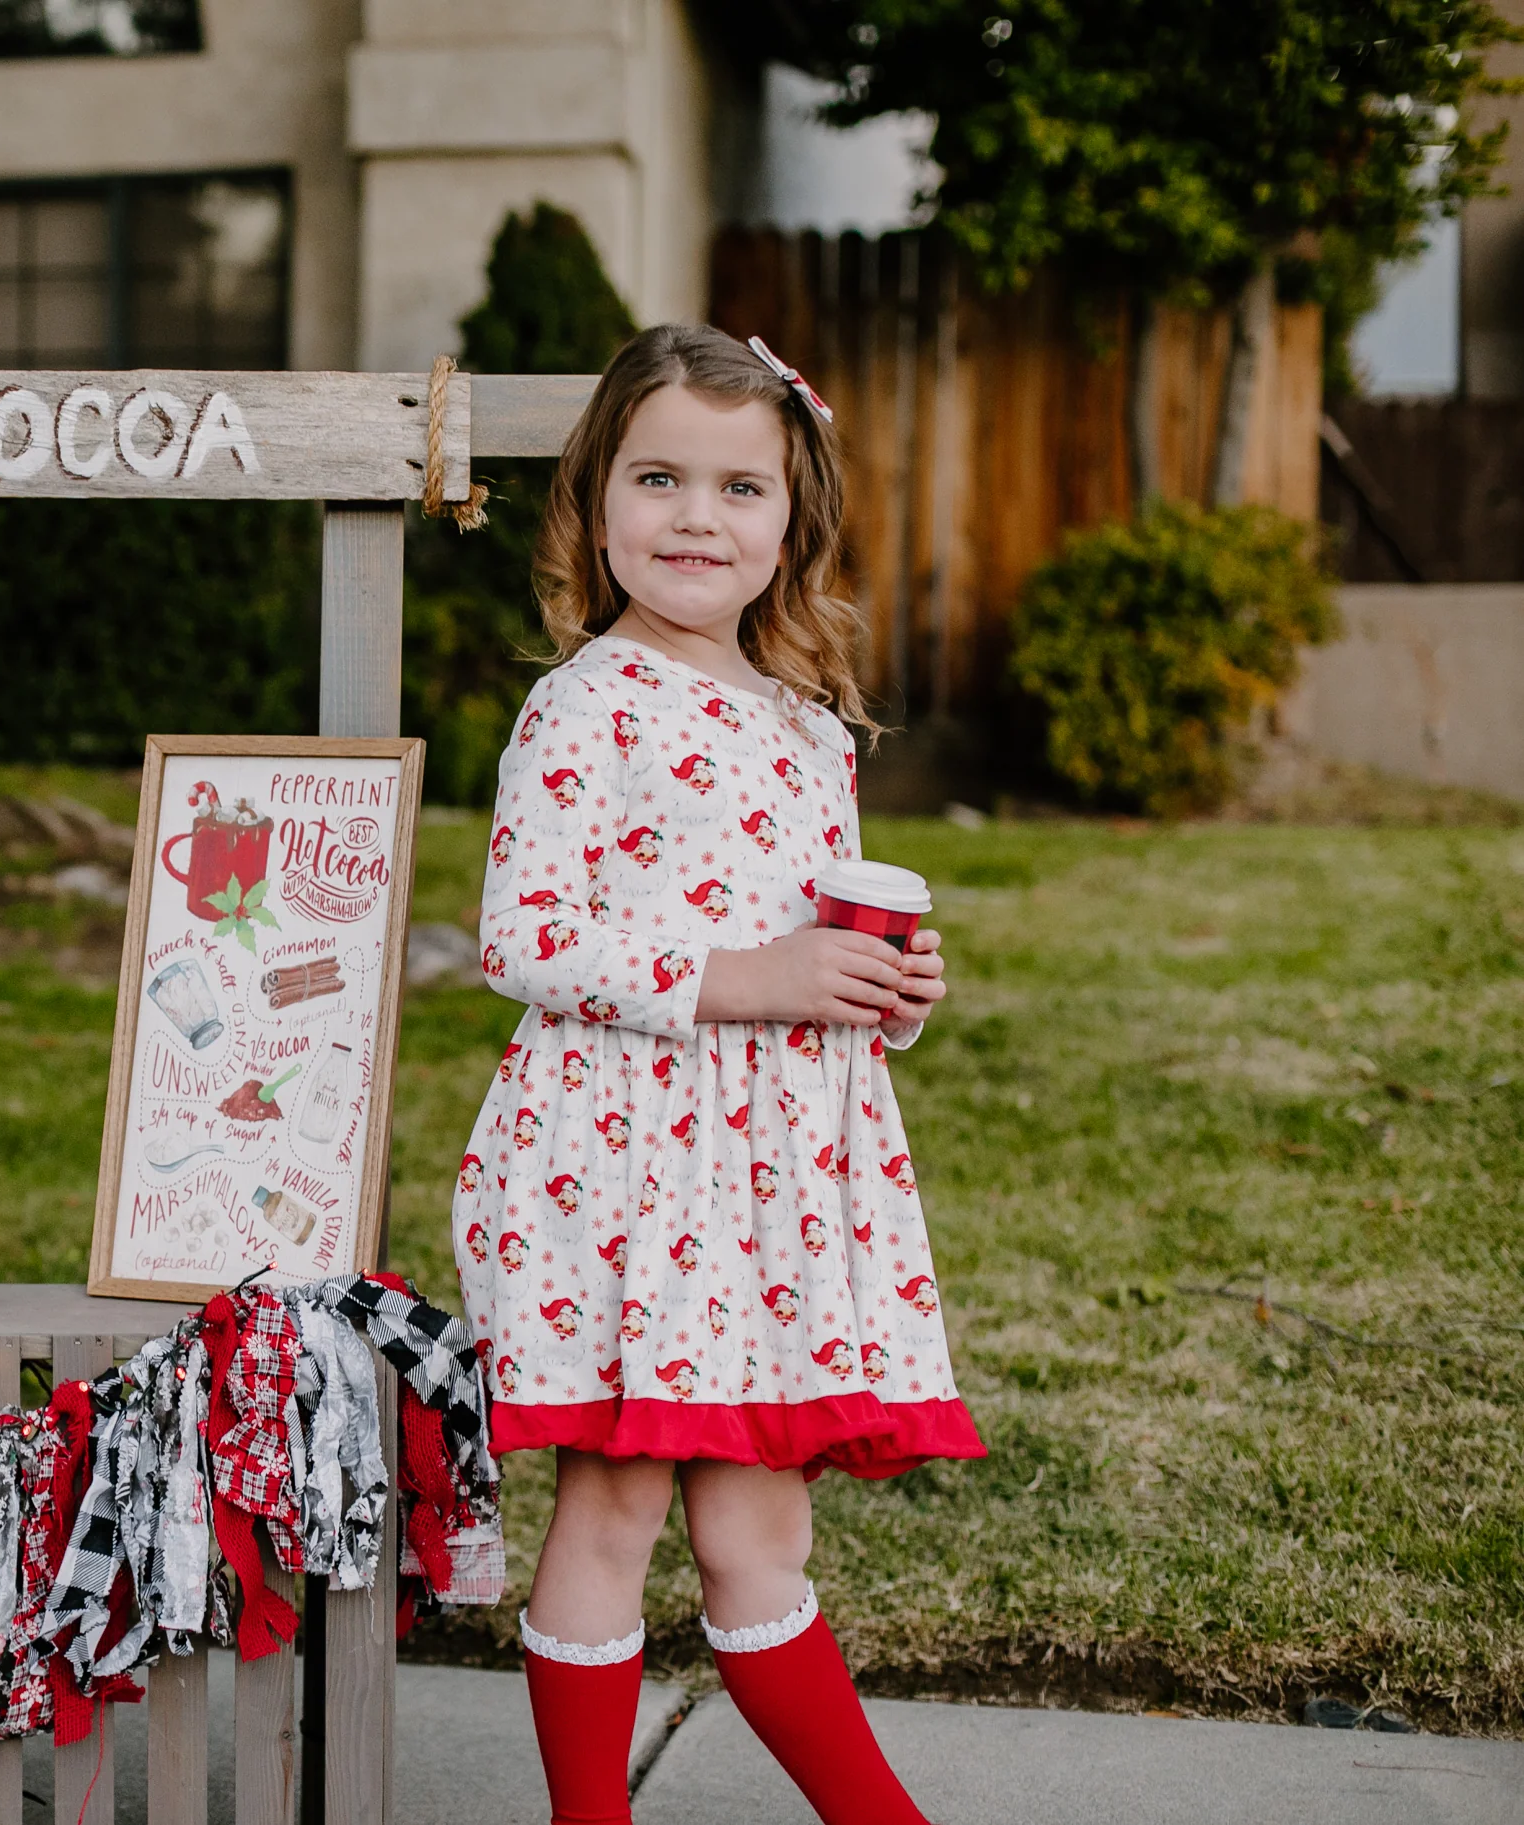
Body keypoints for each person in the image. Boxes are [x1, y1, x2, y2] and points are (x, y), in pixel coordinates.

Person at [451, 324, 986, 1825]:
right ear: (594, 503)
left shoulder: (805, 725)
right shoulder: (585, 705)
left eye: (739, 489)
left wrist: (882, 992)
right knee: (616, 1495)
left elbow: (802, 935)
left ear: (788, 523)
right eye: (660, 477)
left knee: (762, 1521)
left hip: (770, 1184)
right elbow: (522, 936)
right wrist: (743, 980)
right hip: (620, 1164)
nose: (697, 517)